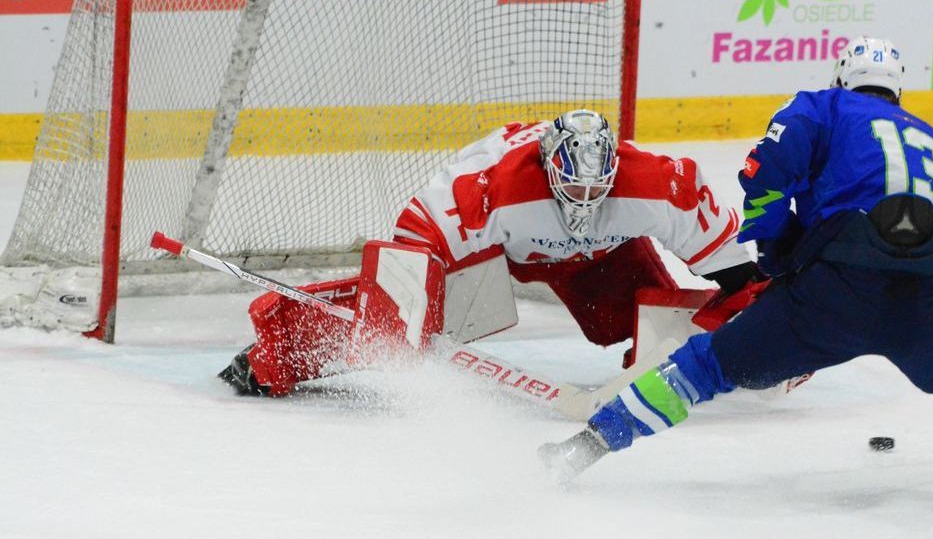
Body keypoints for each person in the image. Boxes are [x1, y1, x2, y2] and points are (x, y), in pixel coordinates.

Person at [538, 37, 933, 514]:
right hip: (927, 299)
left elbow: (765, 172)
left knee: (708, 365)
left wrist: (774, 251)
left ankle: (585, 446)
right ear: (898, 90)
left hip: (832, 296)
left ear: (841, 78)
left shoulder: (821, 107)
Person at [218, 109, 760, 397]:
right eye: (573, 189)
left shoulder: (662, 186)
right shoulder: (491, 190)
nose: (586, 202)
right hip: (502, 252)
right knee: (405, 321)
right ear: (549, 169)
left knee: (625, 324)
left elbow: (736, 267)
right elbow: (413, 242)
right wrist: (404, 314)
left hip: (602, 256)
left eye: (599, 190)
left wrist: (763, 331)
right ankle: (282, 346)